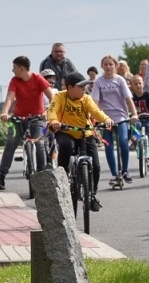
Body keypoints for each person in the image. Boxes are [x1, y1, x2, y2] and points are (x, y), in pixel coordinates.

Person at [46, 72, 108, 211]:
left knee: (96, 166)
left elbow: (96, 112)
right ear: (70, 88)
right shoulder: (60, 96)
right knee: (66, 145)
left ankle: (92, 195)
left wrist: (106, 119)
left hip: (85, 133)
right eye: (80, 86)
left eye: (85, 86)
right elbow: (52, 110)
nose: (84, 89)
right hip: (66, 131)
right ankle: (63, 180)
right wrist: (54, 121)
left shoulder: (86, 98)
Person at [0, 55, 53, 193]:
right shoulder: (14, 80)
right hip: (18, 118)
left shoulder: (38, 79)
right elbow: (10, 98)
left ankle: (42, 177)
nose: (12, 70)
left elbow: (52, 98)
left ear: (21, 68)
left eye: (14, 67)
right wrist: (5, 112)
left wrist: (46, 111)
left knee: (39, 143)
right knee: (11, 143)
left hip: (37, 118)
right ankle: (1, 177)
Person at [90, 54, 136, 189]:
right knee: (108, 146)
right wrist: (94, 117)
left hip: (121, 117)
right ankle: (115, 174)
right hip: (106, 119)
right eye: (105, 64)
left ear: (115, 66)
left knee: (123, 142)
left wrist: (134, 114)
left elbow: (128, 99)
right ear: (102, 66)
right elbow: (95, 102)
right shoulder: (98, 82)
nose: (108, 67)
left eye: (111, 64)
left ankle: (125, 171)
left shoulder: (120, 80)